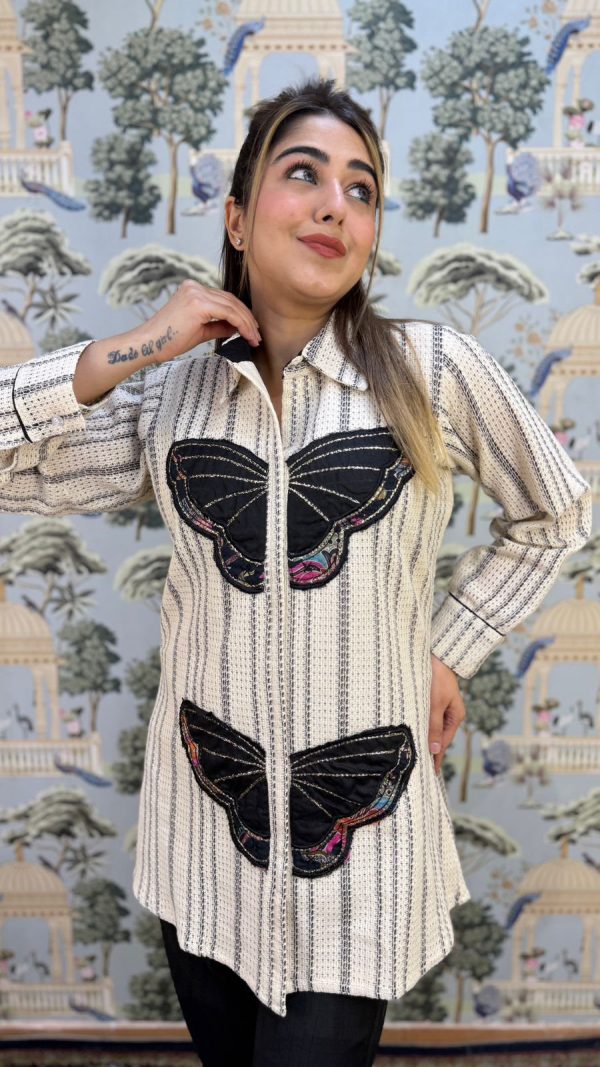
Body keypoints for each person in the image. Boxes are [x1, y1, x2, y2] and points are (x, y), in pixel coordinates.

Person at [0, 76, 591, 1066]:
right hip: (207, 837)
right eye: (304, 174)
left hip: (356, 856)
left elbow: (557, 509)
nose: (335, 205)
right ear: (237, 217)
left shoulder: (432, 371)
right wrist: (142, 343)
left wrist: (451, 649)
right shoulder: (173, 398)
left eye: (361, 189)